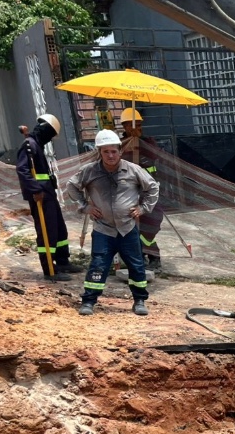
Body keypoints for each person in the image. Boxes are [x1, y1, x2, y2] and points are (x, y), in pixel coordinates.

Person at [66, 129, 160, 317]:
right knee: (98, 264)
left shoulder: (133, 170)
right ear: (99, 152)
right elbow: (71, 186)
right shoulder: (90, 171)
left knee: (136, 264)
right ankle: (89, 301)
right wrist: (85, 207)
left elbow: (152, 188)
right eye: (106, 151)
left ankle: (139, 300)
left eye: (114, 151)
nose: (110, 155)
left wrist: (142, 209)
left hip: (127, 228)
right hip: (103, 229)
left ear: (120, 151)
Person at [15, 114, 82, 281]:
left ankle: (62, 261)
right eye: (51, 135)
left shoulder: (36, 145)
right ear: (45, 131)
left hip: (48, 194)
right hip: (40, 196)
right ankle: (49, 268)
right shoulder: (29, 146)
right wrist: (35, 189)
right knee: (47, 232)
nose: (50, 140)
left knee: (59, 228)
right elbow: (22, 170)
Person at [119, 107, 166, 272]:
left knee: (152, 222)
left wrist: (139, 144)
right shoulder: (119, 146)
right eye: (134, 126)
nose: (137, 129)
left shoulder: (148, 142)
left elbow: (154, 156)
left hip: (148, 193)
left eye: (140, 125)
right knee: (132, 226)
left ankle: (151, 254)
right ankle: (143, 257)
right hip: (129, 194)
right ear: (125, 126)